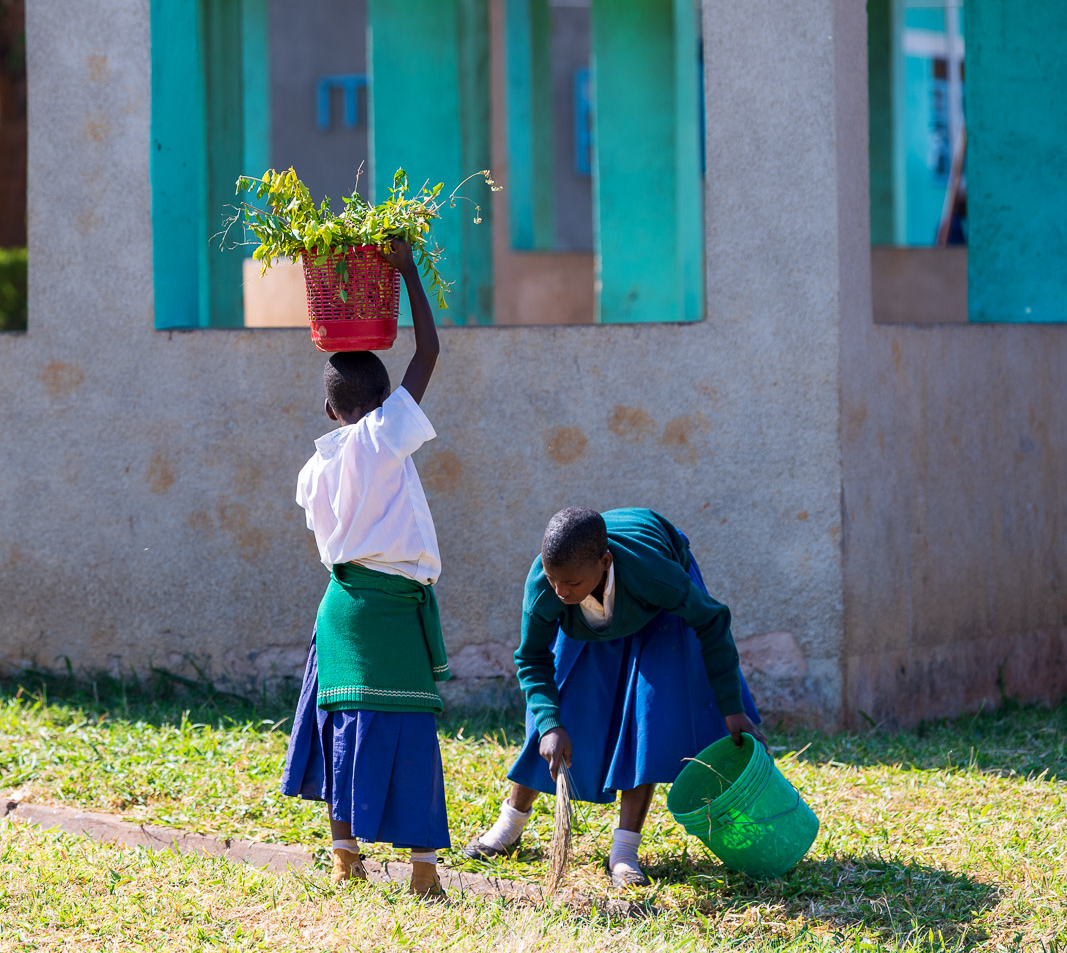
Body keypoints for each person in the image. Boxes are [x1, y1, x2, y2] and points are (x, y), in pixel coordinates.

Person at [463, 507, 764, 887]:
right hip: (593, 607)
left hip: (655, 607)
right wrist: (550, 725)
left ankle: (624, 852)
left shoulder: (654, 574)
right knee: (560, 704)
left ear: (605, 562)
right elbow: (532, 658)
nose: (560, 591)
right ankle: (509, 826)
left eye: (570, 583)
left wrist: (731, 708)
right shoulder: (549, 585)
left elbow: (712, 620)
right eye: (554, 580)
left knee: (647, 714)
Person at [279, 237, 452, 898]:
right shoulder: (384, 435)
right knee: (408, 727)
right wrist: (406, 272)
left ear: (330, 410)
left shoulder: (311, 470)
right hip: (388, 608)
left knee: (340, 726)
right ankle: (423, 873)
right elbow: (428, 353)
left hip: (341, 608)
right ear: (386, 401)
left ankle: (344, 856)